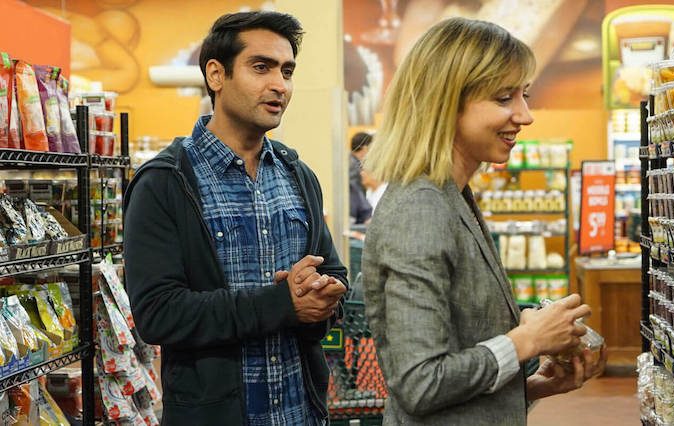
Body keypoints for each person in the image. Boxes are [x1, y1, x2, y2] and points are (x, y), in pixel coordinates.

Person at [361, 17, 606, 425]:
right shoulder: (421, 208)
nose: (525, 115)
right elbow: (420, 382)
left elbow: (456, 362)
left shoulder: (452, 194)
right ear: (445, 102)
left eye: (524, 95)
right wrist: (528, 340)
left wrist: (532, 386)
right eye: (504, 97)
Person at [123, 11, 348, 426]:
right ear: (216, 75)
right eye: (261, 67)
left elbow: (332, 270)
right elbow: (158, 313)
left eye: (287, 71)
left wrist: (326, 294)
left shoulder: (298, 176)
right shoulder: (165, 182)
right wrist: (281, 303)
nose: (279, 85)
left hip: (302, 413)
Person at [349, 132, 373, 224]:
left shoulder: (350, 162)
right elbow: (356, 192)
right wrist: (367, 214)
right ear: (365, 148)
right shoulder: (354, 167)